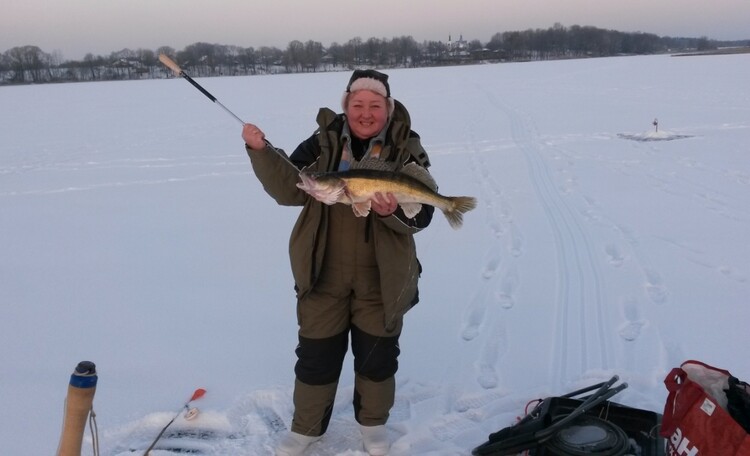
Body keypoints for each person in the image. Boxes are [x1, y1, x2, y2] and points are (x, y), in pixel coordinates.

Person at [241, 69, 435, 456]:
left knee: (378, 357)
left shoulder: (406, 149)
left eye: (375, 106)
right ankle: (306, 429)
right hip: (323, 271)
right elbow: (289, 188)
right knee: (315, 355)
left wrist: (391, 212)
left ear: (388, 109)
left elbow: (422, 215)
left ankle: (373, 428)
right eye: (358, 104)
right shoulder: (321, 143)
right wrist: (261, 152)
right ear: (346, 106)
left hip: (383, 276)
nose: (366, 113)